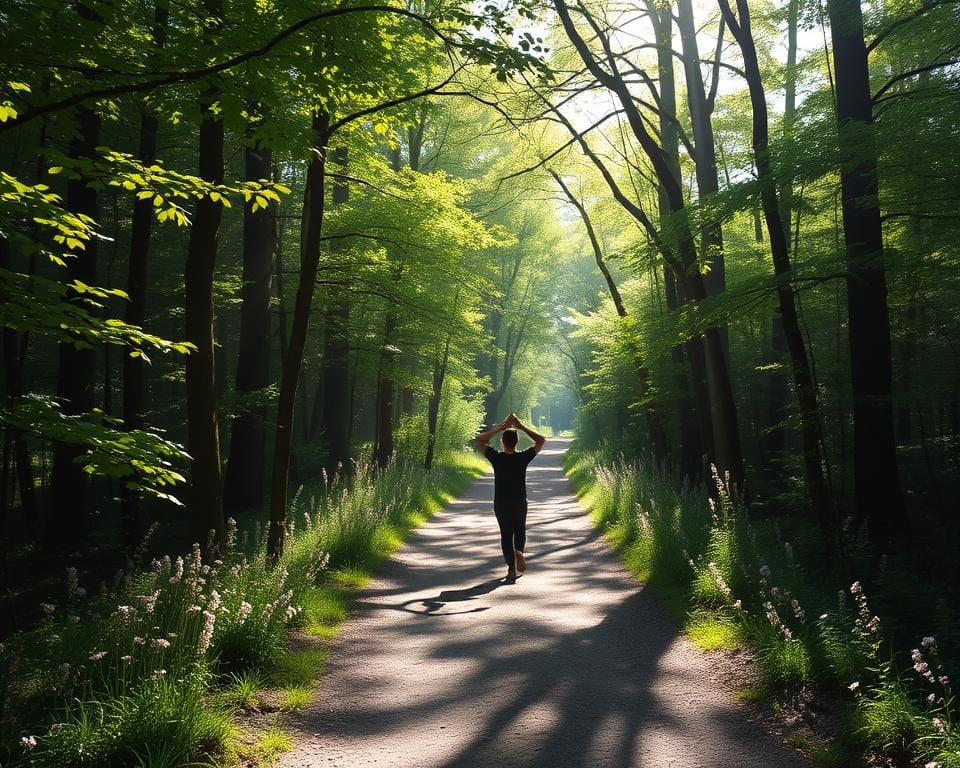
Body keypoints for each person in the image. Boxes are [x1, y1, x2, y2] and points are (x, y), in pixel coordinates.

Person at [476, 413, 546, 581]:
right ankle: (519, 551)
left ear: (502, 442)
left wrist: (501, 427)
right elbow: (541, 440)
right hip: (519, 501)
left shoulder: (496, 458)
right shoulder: (522, 457)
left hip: (501, 502)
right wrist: (520, 426)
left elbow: (479, 439)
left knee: (506, 535)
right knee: (520, 530)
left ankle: (511, 570)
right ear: (517, 442)